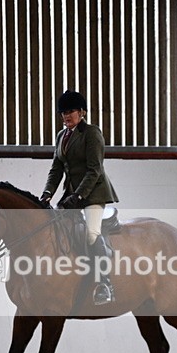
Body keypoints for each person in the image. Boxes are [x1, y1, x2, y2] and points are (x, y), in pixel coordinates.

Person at [41, 90, 119, 305]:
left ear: (82, 112)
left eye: (70, 111)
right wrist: (47, 194)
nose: (66, 116)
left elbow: (94, 170)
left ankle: (105, 283)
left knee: (92, 234)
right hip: (71, 195)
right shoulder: (61, 136)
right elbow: (56, 169)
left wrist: (79, 195)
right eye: (63, 113)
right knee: (58, 229)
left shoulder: (92, 133)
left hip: (93, 193)